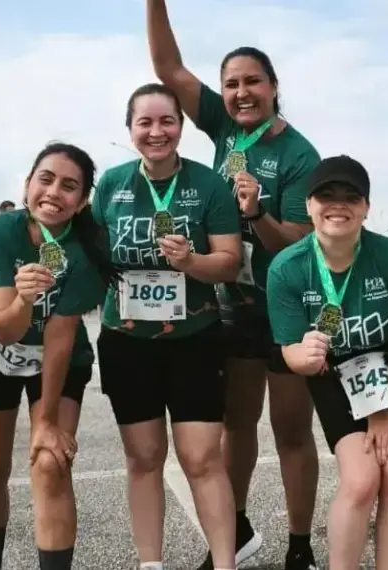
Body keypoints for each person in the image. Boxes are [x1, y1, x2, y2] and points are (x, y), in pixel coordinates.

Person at [146, 2, 321, 568]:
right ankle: (237, 532)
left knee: (291, 431)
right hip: (236, 303)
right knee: (235, 426)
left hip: (289, 307)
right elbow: (170, 70)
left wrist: (258, 211)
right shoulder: (223, 125)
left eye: (252, 83)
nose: (241, 93)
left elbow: (296, 242)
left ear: (274, 87)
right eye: (231, 84)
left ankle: (300, 546)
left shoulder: (298, 153)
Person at [91, 83, 242, 570]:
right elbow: (92, 259)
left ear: (180, 126)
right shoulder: (110, 185)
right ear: (130, 129)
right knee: (144, 457)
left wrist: (192, 262)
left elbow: (228, 263)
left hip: (194, 339)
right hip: (126, 341)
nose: (157, 132)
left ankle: (224, 563)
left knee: (202, 459)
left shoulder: (208, 185)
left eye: (167, 122)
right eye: (145, 123)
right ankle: (150, 564)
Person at [267, 156, 388, 570]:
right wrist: (302, 358)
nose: (338, 205)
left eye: (351, 197)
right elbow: (289, 351)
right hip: (336, 371)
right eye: (326, 195)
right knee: (361, 482)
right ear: (308, 205)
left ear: (366, 207)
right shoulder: (287, 268)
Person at [0, 144, 117, 570]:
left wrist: (46, 421)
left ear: (83, 200)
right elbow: (4, 328)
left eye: (69, 186)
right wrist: (25, 300)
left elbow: (61, 337)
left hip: (57, 357)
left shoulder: (86, 247)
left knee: (50, 462)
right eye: (45, 179)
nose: (53, 192)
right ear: (28, 183)